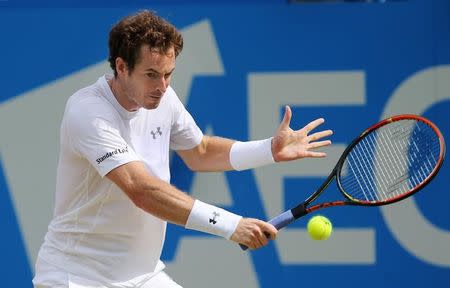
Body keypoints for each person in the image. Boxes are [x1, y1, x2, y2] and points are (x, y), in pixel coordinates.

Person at [32, 10, 333, 288]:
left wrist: (268, 150)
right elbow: (142, 190)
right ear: (121, 67)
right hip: (77, 277)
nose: (162, 86)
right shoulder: (88, 112)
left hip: (143, 275)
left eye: (168, 74)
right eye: (151, 74)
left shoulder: (163, 98)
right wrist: (231, 225)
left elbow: (199, 151)